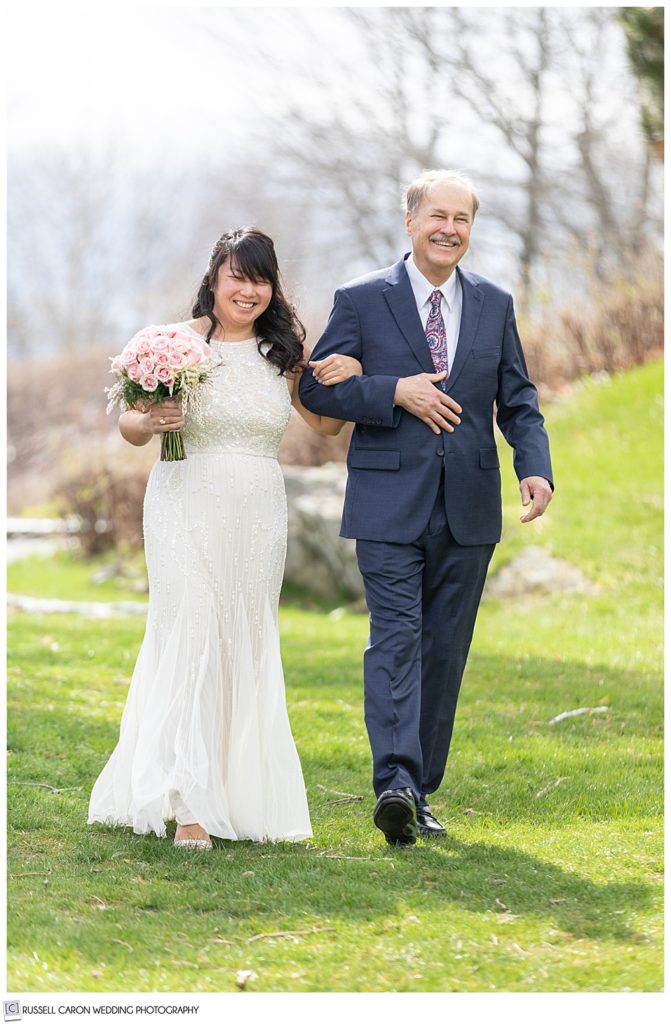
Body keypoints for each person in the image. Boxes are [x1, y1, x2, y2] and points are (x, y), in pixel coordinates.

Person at [299, 169, 553, 846]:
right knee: (395, 640)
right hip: (387, 502)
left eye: (461, 219)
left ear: (470, 229)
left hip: (468, 506)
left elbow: (518, 400)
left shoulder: (495, 304)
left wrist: (534, 469)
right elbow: (317, 393)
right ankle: (395, 785)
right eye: (436, 215)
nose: (448, 229)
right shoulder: (359, 300)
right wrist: (391, 391)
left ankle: (420, 792)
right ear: (409, 220)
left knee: (445, 651)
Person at [88, 227, 361, 849]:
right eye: (237, 276)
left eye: (260, 279)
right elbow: (129, 424)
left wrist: (347, 378)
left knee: (241, 640)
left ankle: (235, 791)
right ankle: (189, 802)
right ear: (213, 278)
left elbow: (325, 426)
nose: (248, 290)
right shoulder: (169, 345)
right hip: (183, 503)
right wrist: (150, 419)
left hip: (257, 512)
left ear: (272, 288)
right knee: (192, 632)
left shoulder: (281, 352)